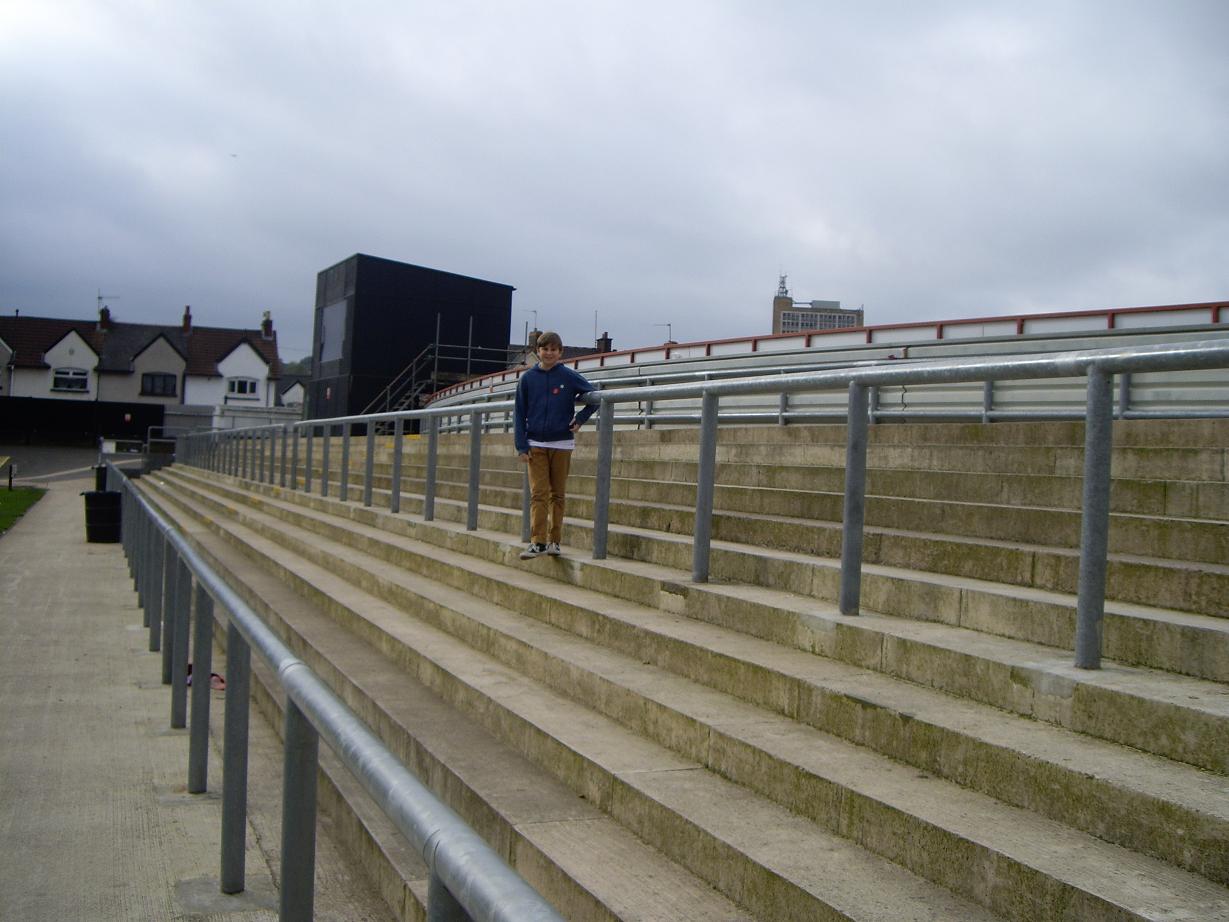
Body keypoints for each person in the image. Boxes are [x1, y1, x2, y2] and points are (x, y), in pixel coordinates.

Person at [514, 331, 596, 558]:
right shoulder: (528, 379)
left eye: (553, 350)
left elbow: (595, 397)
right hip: (536, 443)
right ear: (538, 351)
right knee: (538, 493)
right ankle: (537, 542)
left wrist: (580, 419)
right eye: (545, 349)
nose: (549, 353)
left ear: (560, 352)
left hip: (562, 443)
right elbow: (519, 412)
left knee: (557, 494)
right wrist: (521, 445)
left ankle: (554, 541)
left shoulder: (569, 376)